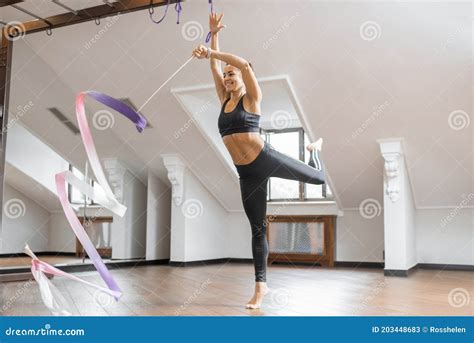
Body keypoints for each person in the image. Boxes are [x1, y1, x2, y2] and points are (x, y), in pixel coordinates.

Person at [191, 13, 326, 309]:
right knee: (257, 228)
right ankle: (260, 288)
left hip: (265, 158)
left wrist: (214, 52)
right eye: (226, 75)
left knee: (319, 179)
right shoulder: (224, 99)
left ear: (243, 76)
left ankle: (314, 153)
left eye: (232, 74)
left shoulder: (251, 97)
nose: (227, 77)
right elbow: (214, 66)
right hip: (246, 173)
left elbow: (241, 62)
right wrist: (213, 34)